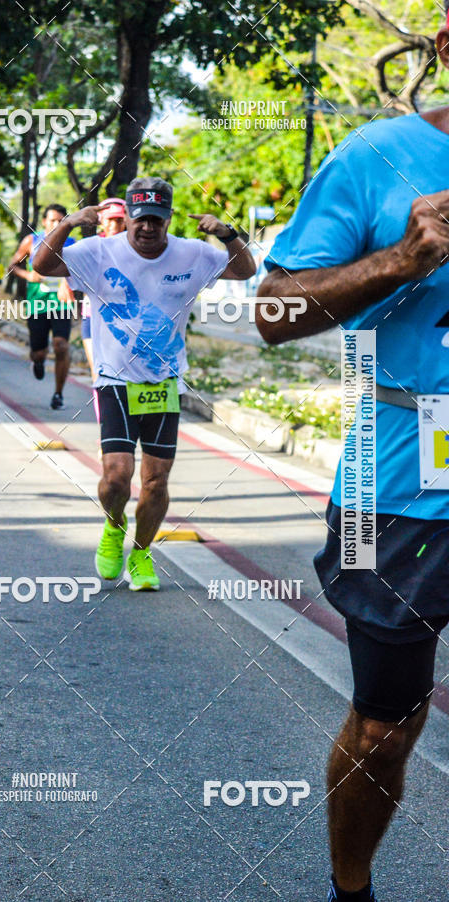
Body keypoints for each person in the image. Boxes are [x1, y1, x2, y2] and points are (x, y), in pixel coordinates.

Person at [257, 10, 449, 901]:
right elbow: (272, 312)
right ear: (444, 42)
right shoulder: (379, 155)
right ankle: (351, 891)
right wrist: (402, 260)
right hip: (403, 485)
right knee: (386, 725)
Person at [34, 176, 255, 589]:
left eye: (156, 219)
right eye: (140, 219)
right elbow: (42, 265)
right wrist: (66, 224)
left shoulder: (192, 254)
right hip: (114, 379)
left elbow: (246, 271)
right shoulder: (99, 251)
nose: (147, 228)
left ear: (168, 218)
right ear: (129, 217)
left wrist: (227, 234)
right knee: (117, 477)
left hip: (164, 382)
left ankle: (141, 553)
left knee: (155, 483)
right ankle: (114, 526)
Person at [9, 204, 76, 410]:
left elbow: (82, 270)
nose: (56, 224)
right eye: (52, 220)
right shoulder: (31, 241)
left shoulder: (73, 244)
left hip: (62, 303)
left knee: (61, 345)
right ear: (45, 222)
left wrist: (69, 283)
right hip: (37, 304)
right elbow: (13, 265)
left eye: (61, 220)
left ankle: (58, 394)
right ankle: (38, 362)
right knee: (39, 352)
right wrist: (29, 275)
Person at [81, 198, 127, 412]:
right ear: (100, 222)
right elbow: (67, 263)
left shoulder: (135, 248)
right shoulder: (91, 247)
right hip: (92, 319)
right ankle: (105, 433)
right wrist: (64, 282)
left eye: (118, 220)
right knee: (99, 375)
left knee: (125, 376)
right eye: (108, 220)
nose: (113, 225)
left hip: (125, 322)